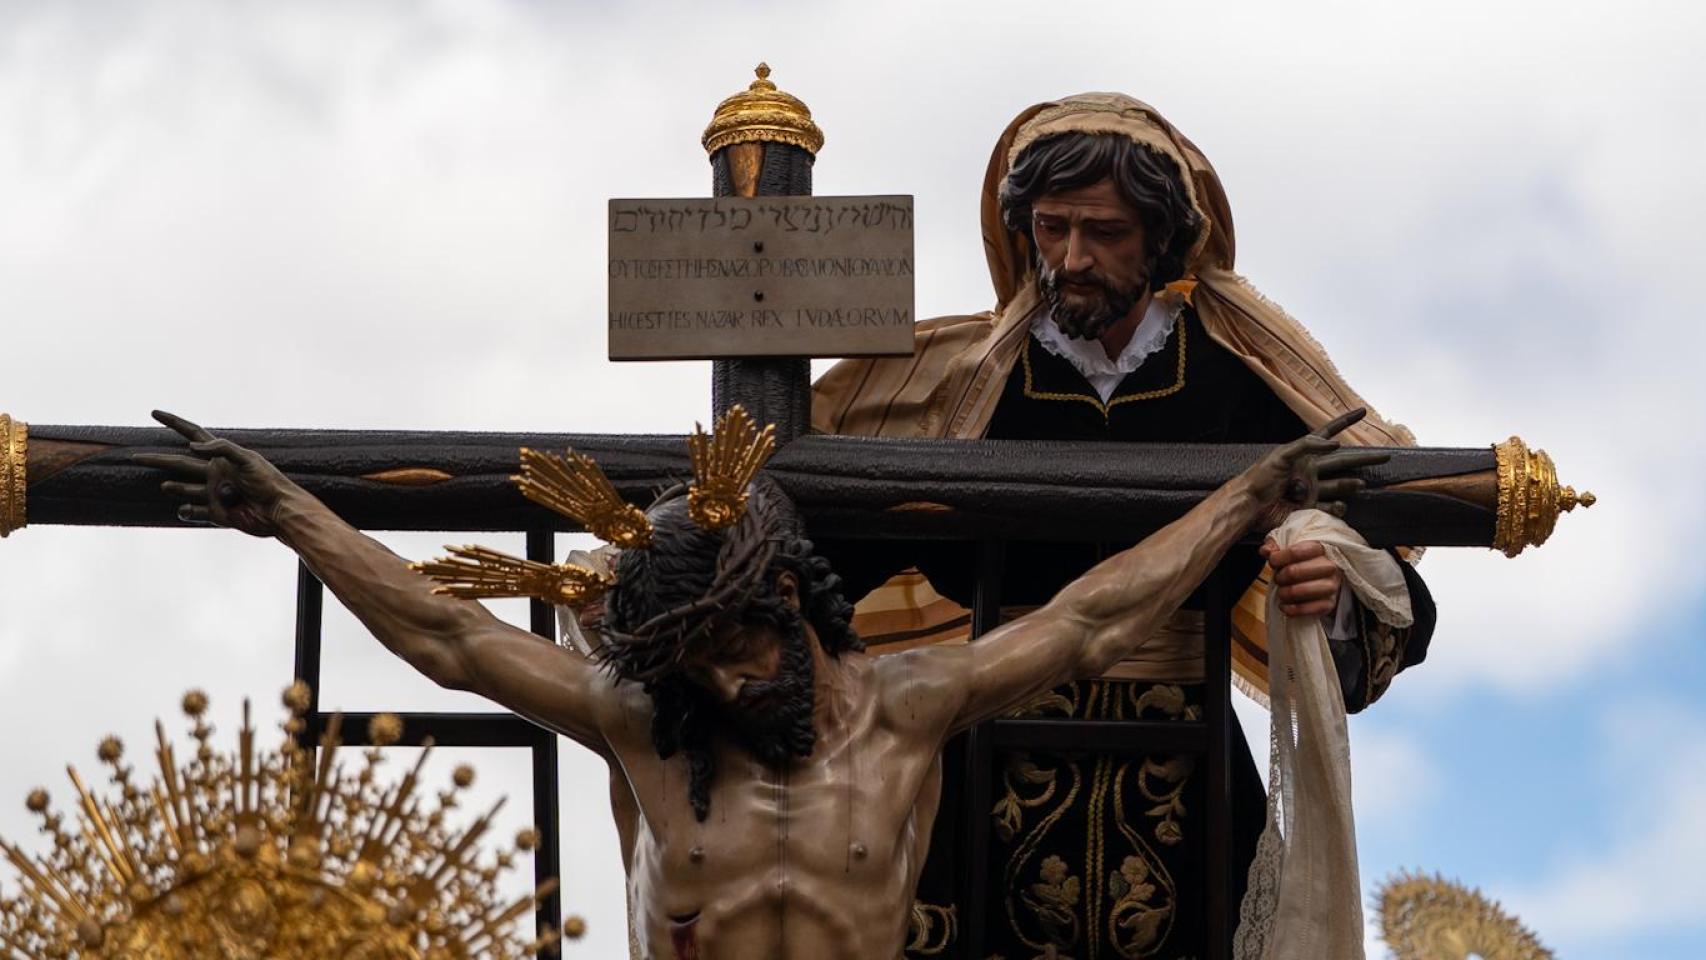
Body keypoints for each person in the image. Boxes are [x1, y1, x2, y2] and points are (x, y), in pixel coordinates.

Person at [137, 406, 1381, 960]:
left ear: (789, 594)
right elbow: (448, 639)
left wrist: (1249, 500)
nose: (726, 685)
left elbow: (1089, 618)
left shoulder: (908, 709)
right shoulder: (644, 724)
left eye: (734, 646)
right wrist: (295, 513)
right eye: (695, 664)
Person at [811, 93, 1437, 956]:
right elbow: (837, 553)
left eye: (1103, 232)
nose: (1071, 258)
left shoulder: (1235, 379)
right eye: (1052, 228)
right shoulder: (964, 389)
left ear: (1162, 238)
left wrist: (1333, 584)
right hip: (983, 763)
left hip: (1190, 778)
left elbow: (1381, 550)